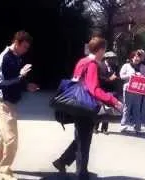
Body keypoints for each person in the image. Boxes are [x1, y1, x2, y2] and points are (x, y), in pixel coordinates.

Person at [52, 37, 123, 180]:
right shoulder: (92, 64)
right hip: (86, 105)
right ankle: (81, 175)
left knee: (81, 137)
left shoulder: (82, 61)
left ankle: (62, 161)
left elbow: (77, 81)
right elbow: (93, 88)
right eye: (104, 50)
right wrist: (113, 100)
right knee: (84, 141)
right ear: (100, 50)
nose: (104, 53)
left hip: (77, 103)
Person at [0, 31, 39, 179]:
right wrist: (21, 76)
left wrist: (26, 85)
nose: (25, 50)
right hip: (3, 104)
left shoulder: (17, 57)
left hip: (10, 103)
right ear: (16, 43)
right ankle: (4, 169)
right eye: (24, 47)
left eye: (27, 48)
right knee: (11, 139)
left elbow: (14, 80)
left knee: (2, 136)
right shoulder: (3, 58)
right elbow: (1, 82)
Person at [119, 50, 145, 133]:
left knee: (137, 108)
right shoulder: (126, 66)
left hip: (138, 90)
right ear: (132, 57)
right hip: (128, 89)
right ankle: (123, 124)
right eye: (135, 56)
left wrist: (141, 77)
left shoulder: (142, 67)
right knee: (127, 108)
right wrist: (130, 76)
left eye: (138, 57)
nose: (137, 58)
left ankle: (137, 126)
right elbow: (121, 76)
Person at [94, 51, 121, 134]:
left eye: (114, 59)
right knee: (99, 109)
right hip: (101, 90)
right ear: (107, 58)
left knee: (108, 110)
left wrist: (117, 79)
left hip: (111, 91)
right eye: (111, 59)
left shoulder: (115, 67)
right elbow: (99, 78)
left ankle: (104, 128)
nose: (113, 60)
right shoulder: (100, 66)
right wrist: (109, 79)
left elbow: (118, 76)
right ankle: (95, 127)